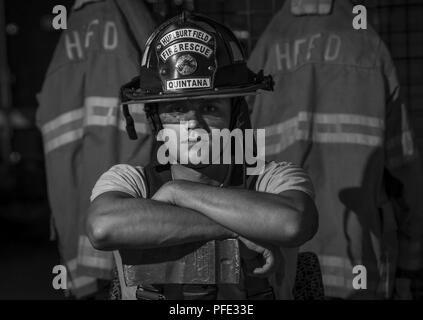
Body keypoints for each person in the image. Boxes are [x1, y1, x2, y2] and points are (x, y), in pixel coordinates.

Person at [86, 11, 319, 300]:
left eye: (210, 108)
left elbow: (292, 223)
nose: (192, 122)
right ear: (157, 120)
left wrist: (178, 193)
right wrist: (236, 231)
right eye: (177, 109)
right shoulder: (130, 182)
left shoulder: (273, 179)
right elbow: (102, 227)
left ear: (236, 116)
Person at [247, 0, 423, 299]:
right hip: (358, 258)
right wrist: (412, 260)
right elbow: (404, 166)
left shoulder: (268, 46)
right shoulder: (367, 42)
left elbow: (237, 156)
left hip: (281, 263)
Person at [36, 0, 155, 298]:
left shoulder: (73, 26)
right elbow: (164, 64)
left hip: (76, 210)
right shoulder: (127, 14)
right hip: (133, 209)